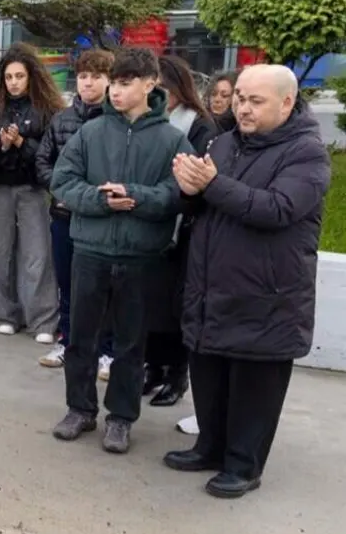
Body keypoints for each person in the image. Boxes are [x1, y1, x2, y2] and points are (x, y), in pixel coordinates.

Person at [167, 64, 331, 499]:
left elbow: (276, 209)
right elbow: (205, 203)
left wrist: (211, 184)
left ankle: (243, 465)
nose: (242, 107)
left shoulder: (306, 153)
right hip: (212, 289)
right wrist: (188, 190)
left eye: (255, 101)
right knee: (210, 375)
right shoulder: (224, 143)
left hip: (267, 296)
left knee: (254, 387)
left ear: (287, 102)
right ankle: (209, 447)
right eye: (240, 97)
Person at [49, 48, 193, 454]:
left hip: (141, 257)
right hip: (90, 251)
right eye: (114, 82)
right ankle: (80, 409)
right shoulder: (91, 132)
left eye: (126, 83)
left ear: (150, 85)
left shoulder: (172, 139)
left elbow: (180, 192)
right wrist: (100, 200)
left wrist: (137, 197)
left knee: (131, 344)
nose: (115, 91)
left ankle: (121, 418)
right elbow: (63, 181)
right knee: (81, 338)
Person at [142, 55, 217, 407]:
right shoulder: (148, 123)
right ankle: (153, 367)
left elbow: (197, 177)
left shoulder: (200, 127)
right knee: (151, 304)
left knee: (176, 307)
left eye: (160, 87)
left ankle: (176, 373)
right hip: (151, 224)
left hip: (184, 227)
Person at [35, 48, 115, 369]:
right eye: (83, 76)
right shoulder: (62, 119)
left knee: (103, 288)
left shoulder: (116, 121)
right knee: (66, 284)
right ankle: (67, 341)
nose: (88, 83)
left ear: (109, 81)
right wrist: (63, 192)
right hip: (64, 215)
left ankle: (107, 350)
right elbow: (43, 161)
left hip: (100, 221)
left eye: (96, 76)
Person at [0, 43, 65, 342]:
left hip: (33, 189)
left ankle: (43, 322)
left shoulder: (48, 112)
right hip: (0, 188)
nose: (14, 82)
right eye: (8, 77)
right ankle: (5, 315)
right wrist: (3, 146)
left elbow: (48, 155)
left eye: (19, 76)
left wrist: (21, 143)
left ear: (31, 77)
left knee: (37, 255)